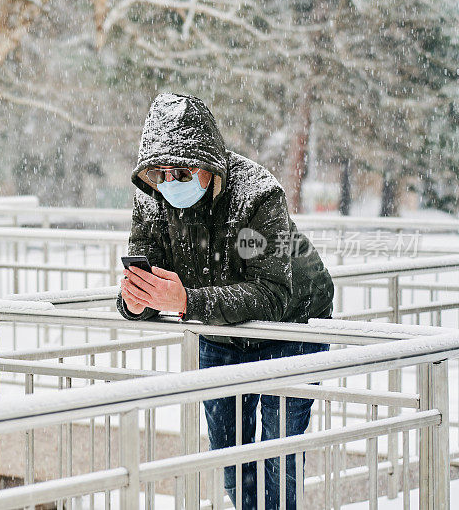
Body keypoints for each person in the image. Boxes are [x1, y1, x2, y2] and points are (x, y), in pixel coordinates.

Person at [117, 93, 334, 510]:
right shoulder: (152, 199)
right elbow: (147, 275)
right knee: (232, 455)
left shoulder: (258, 194)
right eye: (160, 173)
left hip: (291, 327)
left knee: (277, 452)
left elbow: (271, 293)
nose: (169, 182)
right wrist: (137, 299)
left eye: (181, 171)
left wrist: (187, 301)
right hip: (218, 330)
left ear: (209, 165)